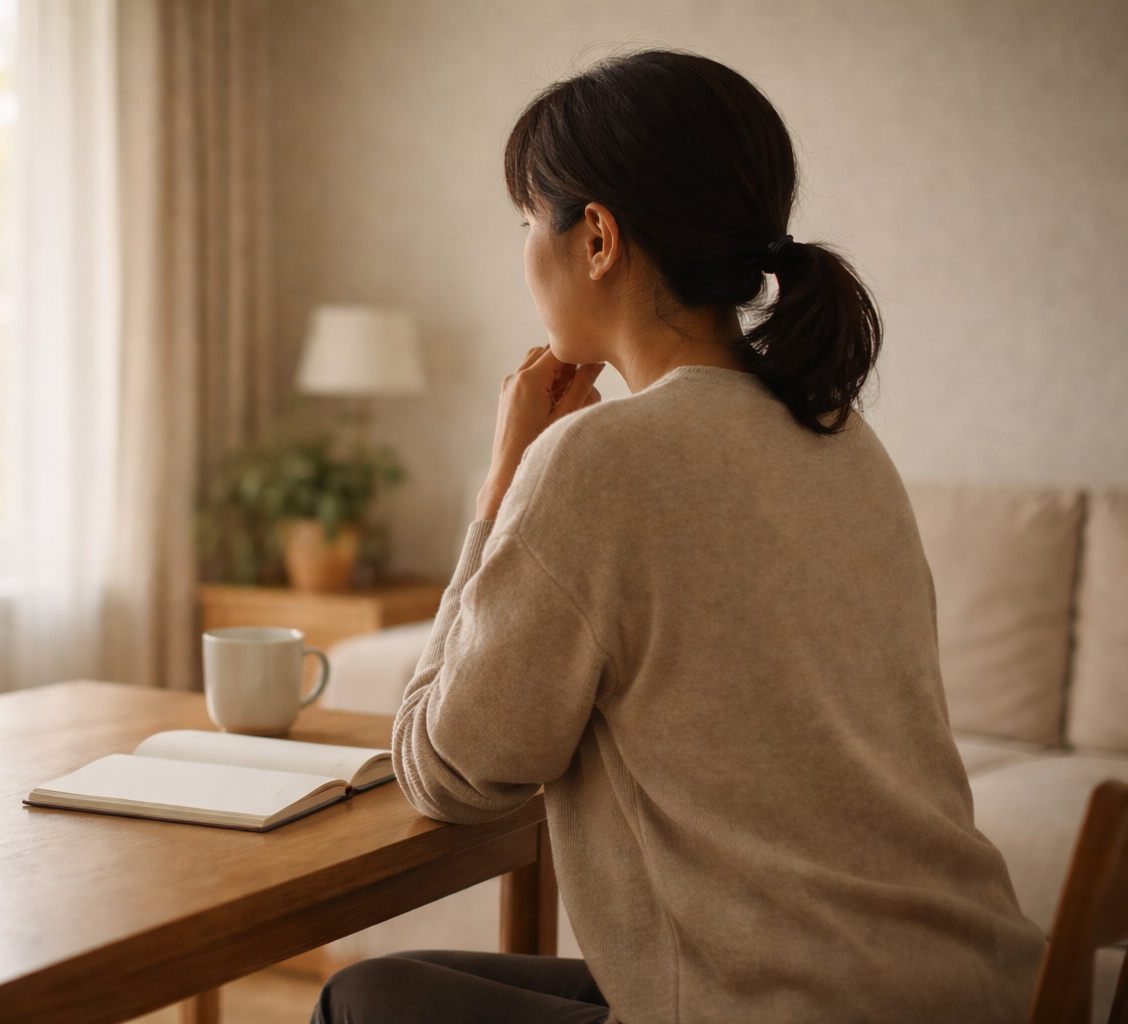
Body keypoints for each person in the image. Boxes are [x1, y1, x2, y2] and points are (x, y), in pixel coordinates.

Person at [310, 50, 1044, 1024]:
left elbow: (447, 771)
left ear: (598, 238)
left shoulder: (600, 461)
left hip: (786, 1005)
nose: (526, 253)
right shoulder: (839, 435)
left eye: (529, 223)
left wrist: (500, 484)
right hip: (970, 988)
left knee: (362, 1001)